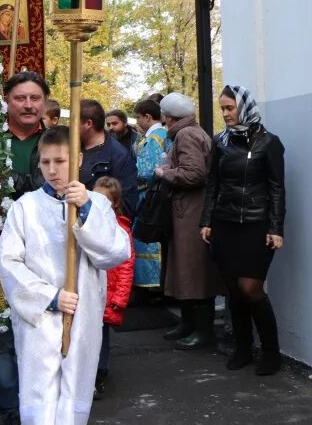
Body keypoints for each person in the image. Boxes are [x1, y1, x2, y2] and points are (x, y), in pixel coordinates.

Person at [0, 127, 130, 425]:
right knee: (40, 404)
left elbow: (115, 252)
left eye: (61, 161)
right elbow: (9, 263)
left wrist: (85, 212)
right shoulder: (24, 208)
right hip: (39, 324)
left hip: (82, 321)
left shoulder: (96, 204)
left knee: (73, 401)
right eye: (46, 162)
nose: (53, 170)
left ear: (79, 160)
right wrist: (48, 297)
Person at [0, 70, 50, 425]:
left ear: (44, 102)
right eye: (20, 98)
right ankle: (11, 414)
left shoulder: (55, 142)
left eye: (34, 98)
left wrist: (7, 180)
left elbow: (51, 186)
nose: (28, 104)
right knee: (1, 337)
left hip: (43, 254)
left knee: (42, 334)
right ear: (7, 101)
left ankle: (41, 408)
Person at [202, 85, 286, 375]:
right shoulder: (220, 142)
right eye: (222, 108)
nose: (225, 114)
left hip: (257, 225)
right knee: (232, 289)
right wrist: (207, 221)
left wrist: (276, 227)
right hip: (224, 225)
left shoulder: (269, 143)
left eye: (229, 108)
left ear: (244, 107)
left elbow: (277, 188)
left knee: (250, 288)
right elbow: (213, 184)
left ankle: (272, 352)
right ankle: (242, 348)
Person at [155, 93, 222, 350]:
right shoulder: (192, 132)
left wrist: (164, 172)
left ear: (170, 117)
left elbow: (195, 174)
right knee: (187, 269)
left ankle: (203, 331)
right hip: (189, 211)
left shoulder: (186, 135)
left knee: (194, 271)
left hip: (191, 212)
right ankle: (189, 324)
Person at [91, 176, 135, 401]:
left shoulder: (121, 230)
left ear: (115, 204)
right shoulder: (87, 224)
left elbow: (126, 266)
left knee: (102, 336)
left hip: (108, 295)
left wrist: (119, 297)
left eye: (104, 201)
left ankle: (100, 373)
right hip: (90, 293)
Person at [77, 99, 138, 218]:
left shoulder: (119, 155)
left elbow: (126, 205)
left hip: (98, 228)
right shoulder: (71, 147)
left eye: (73, 122)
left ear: (88, 124)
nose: (70, 127)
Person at [132, 98, 167, 291]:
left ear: (147, 116)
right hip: (154, 194)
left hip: (148, 196)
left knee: (148, 241)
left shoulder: (154, 138)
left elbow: (146, 170)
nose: (137, 121)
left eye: (138, 117)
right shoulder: (161, 134)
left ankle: (151, 288)